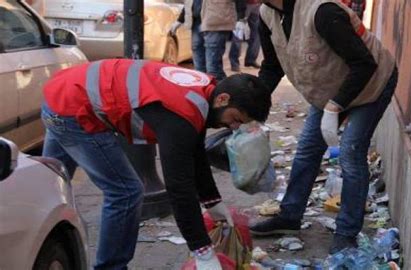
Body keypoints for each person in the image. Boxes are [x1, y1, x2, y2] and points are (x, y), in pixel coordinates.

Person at [41, 59, 271, 270]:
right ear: (223, 100)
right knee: (126, 192)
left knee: (47, 195)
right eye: (236, 119)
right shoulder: (180, 114)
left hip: (64, 91)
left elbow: (195, 155)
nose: (232, 127)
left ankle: (36, 252)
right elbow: (179, 187)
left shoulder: (203, 91)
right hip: (75, 110)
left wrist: (213, 204)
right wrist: (203, 251)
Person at [250, 0, 398, 254]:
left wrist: (335, 107)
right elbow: (273, 67)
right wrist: (250, 107)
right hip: (328, 89)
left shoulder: (322, 11)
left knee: (351, 154)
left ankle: (346, 233)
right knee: (307, 150)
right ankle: (289, 217)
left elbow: (365, 64)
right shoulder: (266, 15)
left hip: (370, 85)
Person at [170, 0, 246, 81]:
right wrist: (180, 19)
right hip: (196, 21)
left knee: (213, 68)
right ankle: (205, 89)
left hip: (216, 20)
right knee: (199, 68)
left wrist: (240, 18)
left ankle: (220, 89)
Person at [228, 0, 262, 72]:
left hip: (257, 4)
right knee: (238, 35)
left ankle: (251, 60)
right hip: (243, 5)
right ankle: (234, 63)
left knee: (256, 33)